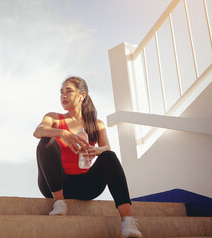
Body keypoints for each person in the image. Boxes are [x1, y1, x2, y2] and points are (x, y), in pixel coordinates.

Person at [33, 76, 142, 238]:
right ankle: (60, 203)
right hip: (54, 185)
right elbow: (38, 131)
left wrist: (94, 151)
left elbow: (106, 147)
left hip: (85, 186)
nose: (63, 95)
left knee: (109, 156)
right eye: (61, 92)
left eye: (69, 91)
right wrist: (62, 133)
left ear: (82, 95)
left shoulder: (96, 124)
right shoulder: (53, 117)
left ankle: (127, 221)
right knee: (45, 141)